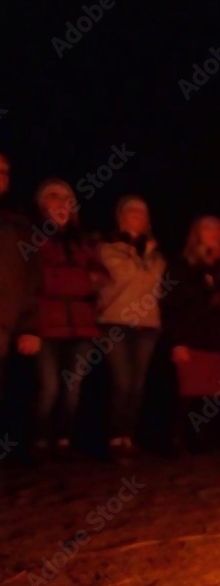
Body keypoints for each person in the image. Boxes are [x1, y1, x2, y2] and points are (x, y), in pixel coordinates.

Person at [33, 179, 107, 456]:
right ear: (42, 204)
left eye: (66, 198)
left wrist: (87, 280)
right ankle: (39, 439)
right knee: (48, 386)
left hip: (81, 324)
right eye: (53, 196)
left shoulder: (84, 240)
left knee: (72, 387)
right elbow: (37, 279)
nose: (61, 202)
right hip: (46, 323)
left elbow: (101, 277)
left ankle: (63, 439)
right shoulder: (34, 237)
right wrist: (77, 280)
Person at [96, 195, 166, 456]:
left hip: (146, 323)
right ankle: (113, 436)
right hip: (115, 320)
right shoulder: (108, 248)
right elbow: (127, 275)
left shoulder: (156, 255)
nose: (137, 216)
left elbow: (154, 283)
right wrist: (141, 255)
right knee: (121, 381)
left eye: (142, 212)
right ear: (121, 217)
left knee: (137, 384)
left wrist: (146, 256)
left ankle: (128, 436)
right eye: (131, 212)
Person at [161, 215, 220, 452]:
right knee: (186, 391)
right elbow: (171, 304)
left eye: (218, 228)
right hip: (189, 334)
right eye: (207, 228)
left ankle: (204, 439)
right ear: (197, 233)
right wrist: (177, 341)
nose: (213, 232)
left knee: (211, 391)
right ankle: (176, 439)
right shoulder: (181, 265)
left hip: (216, 336)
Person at [0, 154, 41, 390]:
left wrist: (29, 327)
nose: (2, 177)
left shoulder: (17, 222)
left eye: (5, 171)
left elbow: (30, 276)